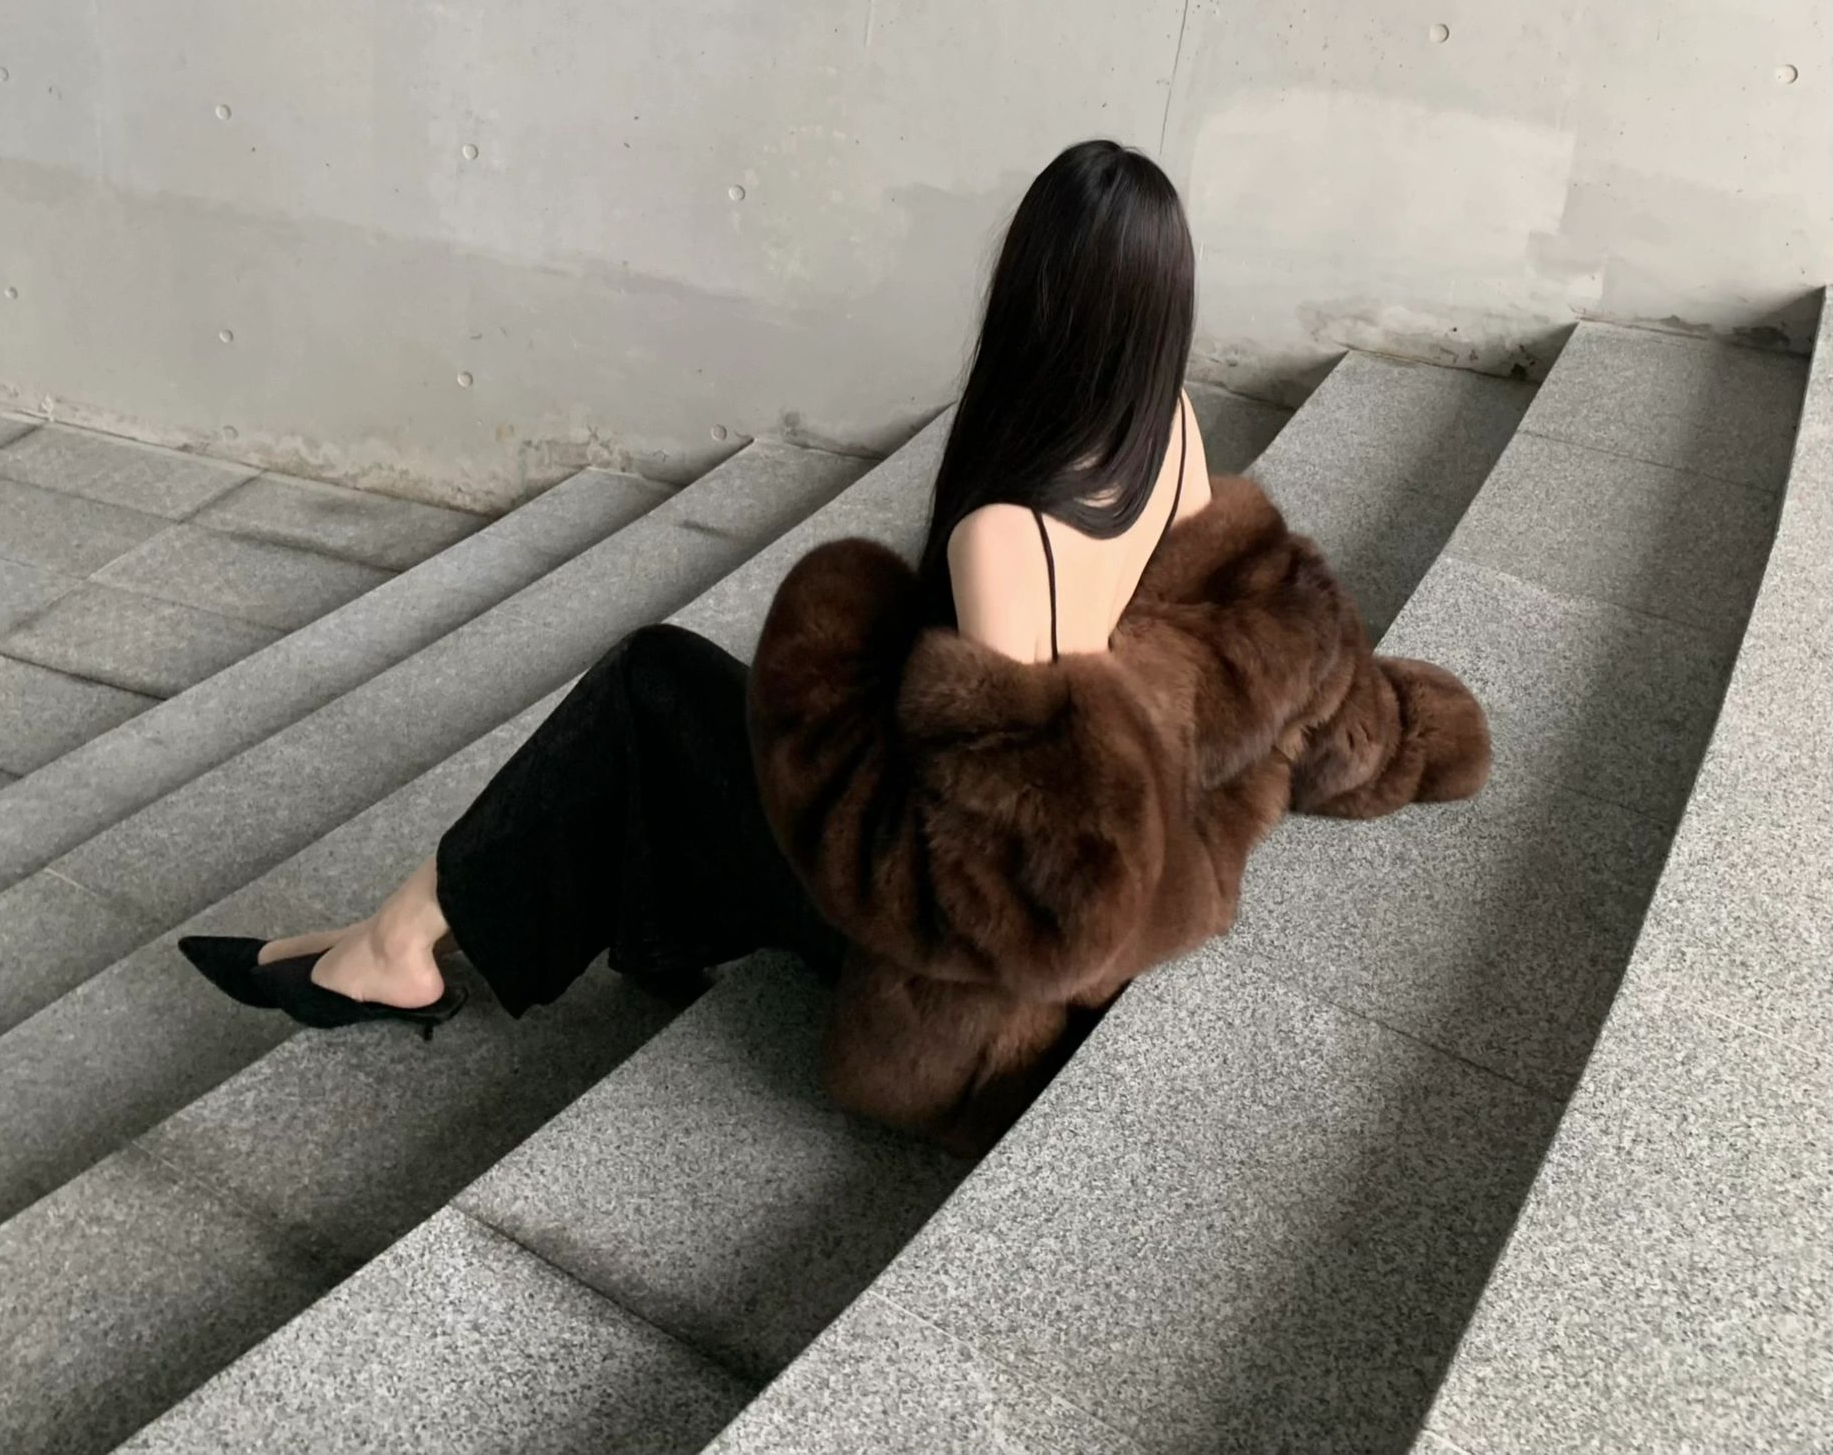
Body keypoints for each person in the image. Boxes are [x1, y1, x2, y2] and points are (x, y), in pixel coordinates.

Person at [181, 139, 1488, 1150]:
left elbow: (1011, 876)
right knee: (672, 709)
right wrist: (1393, 749)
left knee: (653, 689)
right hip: (1086, 862)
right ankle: (415, 931)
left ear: (1031, 299)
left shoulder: (1009, 537)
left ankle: (399, 945)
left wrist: (822, 725)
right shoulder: (1174, 434)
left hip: (961, 993)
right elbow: (1255, 650)